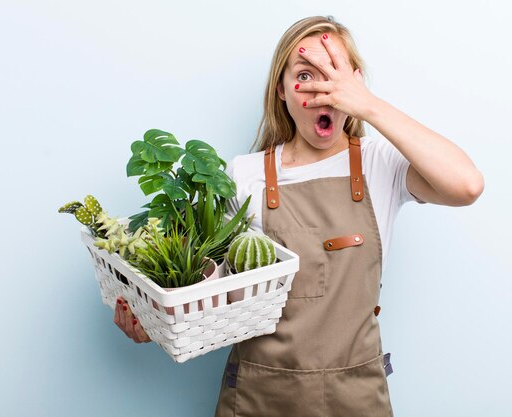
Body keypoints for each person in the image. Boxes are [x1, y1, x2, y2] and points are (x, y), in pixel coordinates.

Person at [116, 15, 484, 416]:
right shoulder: (245, 174)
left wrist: (369, 106)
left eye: (334, 74)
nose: (323, 88)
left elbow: (466, 185)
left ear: (353, 84)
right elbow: (211, 287)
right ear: (281, 90)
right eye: (306, 74)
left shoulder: (381, 164)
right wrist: (157, 322)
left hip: (355, 398)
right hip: (258, 397)